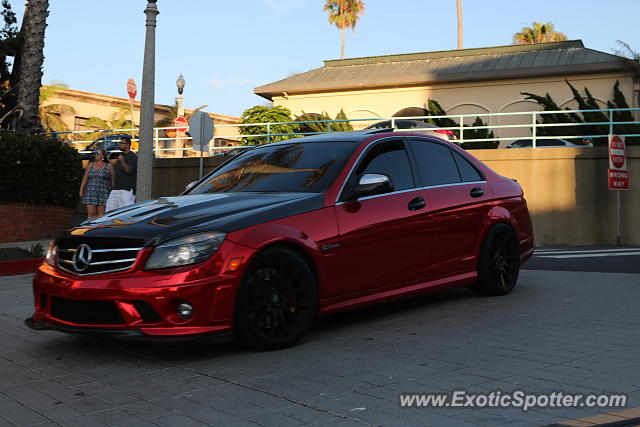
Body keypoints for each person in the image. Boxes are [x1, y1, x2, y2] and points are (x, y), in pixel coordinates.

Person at [79, 149, 115, 219]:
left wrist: (113, 192)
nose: (96, 154)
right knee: (91, 213)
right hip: (91, 191)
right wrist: (81, 189)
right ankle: (90, 228)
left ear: (103, 156)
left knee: (101, 215)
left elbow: (113, 179)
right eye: (95, 153)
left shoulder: (109, 166)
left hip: (103, 192)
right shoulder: (91, 165)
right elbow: (85, 177)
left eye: (98, 153)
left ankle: (99, 228)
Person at [106, 136, 138, 211]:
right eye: (119, 143)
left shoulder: (132, 157)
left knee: (126, 212)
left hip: (126, 189)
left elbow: (128, 170)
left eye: (122, 143)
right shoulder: (121, 156)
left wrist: (122, 160)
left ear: (128, 145)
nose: (120, 145)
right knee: (109, 211)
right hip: (116, 189)